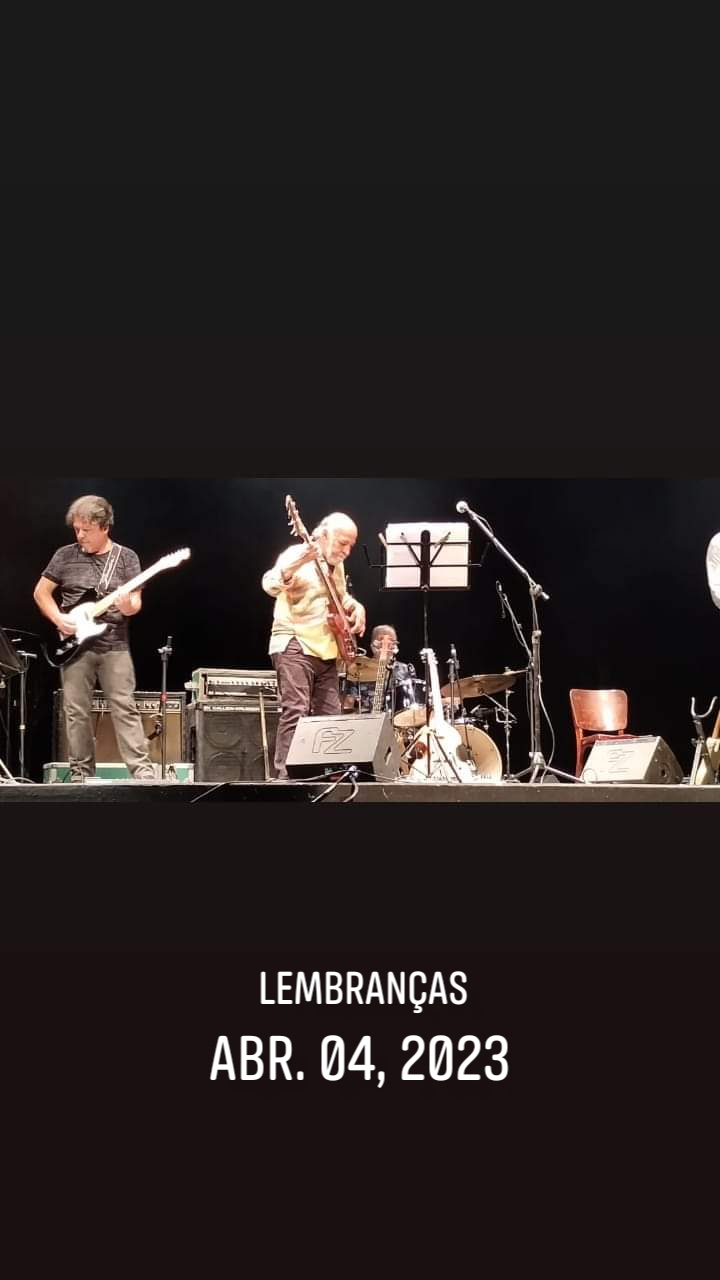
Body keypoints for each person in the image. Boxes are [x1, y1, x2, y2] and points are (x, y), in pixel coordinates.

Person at [33, 494, 156, 782]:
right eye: (76, 529)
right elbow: (41, 592)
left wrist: (126, 605)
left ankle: (143, 773)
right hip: (74, 646)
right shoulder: (64, 555)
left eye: (86, 530)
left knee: (125, 707)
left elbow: (134, 604)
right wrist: (58, 619)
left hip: (115, 645)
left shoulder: (126, 558)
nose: (79, 535)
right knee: (75, 711)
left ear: (105, 527)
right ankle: (80, 774)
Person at [262, 511, 366, 778]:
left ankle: (325, 776)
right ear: (323, 535)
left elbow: (339, 596)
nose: (347, 551)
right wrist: (295, 564)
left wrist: (355, 606)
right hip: (294, 641)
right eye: (342, 543)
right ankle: (285, 778)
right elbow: (269, 584)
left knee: (329, 717)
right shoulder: (296, 554)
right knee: (296, 711)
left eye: (351, 545)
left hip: (326, 649)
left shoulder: (337, 566)